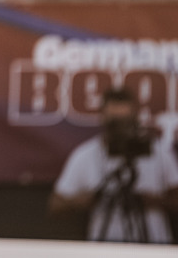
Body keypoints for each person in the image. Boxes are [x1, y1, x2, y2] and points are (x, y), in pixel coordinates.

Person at [49, 86, 178, 243]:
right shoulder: (85, 154)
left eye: (126, 122)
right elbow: (56, 205)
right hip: (104, 247)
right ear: (103, 117)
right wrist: (89, 200)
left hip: (152, 246)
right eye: (115, 123)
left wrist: (152, 201)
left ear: (136, 117)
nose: (121, 129)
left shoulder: (158, 151)